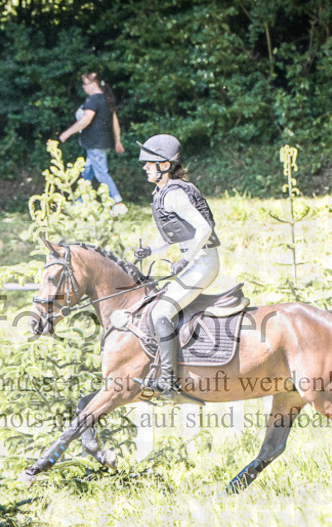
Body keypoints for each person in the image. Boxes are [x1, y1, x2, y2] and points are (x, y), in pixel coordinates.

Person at [132, 134, 221, 399]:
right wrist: (149, 249)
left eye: (149, 163)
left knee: (161, 314)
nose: (144, 167)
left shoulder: (176, 194)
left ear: (165, 165)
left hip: (203, 261)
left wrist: (186, 259)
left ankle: (168, 381)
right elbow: (170, 236)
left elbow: (205, 228)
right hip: (193, 261)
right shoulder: (162, 193)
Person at [59, 72, 128, 217]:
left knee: (102, 173)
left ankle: (118, 203)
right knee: (87, 174)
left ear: (93, 84)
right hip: (104, 144)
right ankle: (77, 204)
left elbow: (85, 120)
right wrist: (117, 141)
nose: (83, 87)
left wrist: (67, 133)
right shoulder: (107, 99)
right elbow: (115, 123)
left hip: (95, 144)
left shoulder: (93, 100)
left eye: (85, 84)